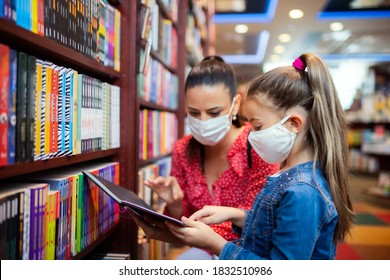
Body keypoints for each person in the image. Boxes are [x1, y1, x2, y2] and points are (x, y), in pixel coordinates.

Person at [166, 53, 354, 260]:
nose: (251, 136)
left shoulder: (303, 193)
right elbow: (275, 227)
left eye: (257, 127)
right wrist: (238, 215)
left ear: (293, 124)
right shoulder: (289, 177)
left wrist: (217, 245)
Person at [135, 55, 280, 259]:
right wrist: (175, 203)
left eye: (214, 113)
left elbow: (262, 221)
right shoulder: (183, 150)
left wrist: (207, 240)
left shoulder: (258, 145)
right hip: (201, 254)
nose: (203, 122)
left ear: (235, 104)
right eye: (194, 113)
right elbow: (181, 221)